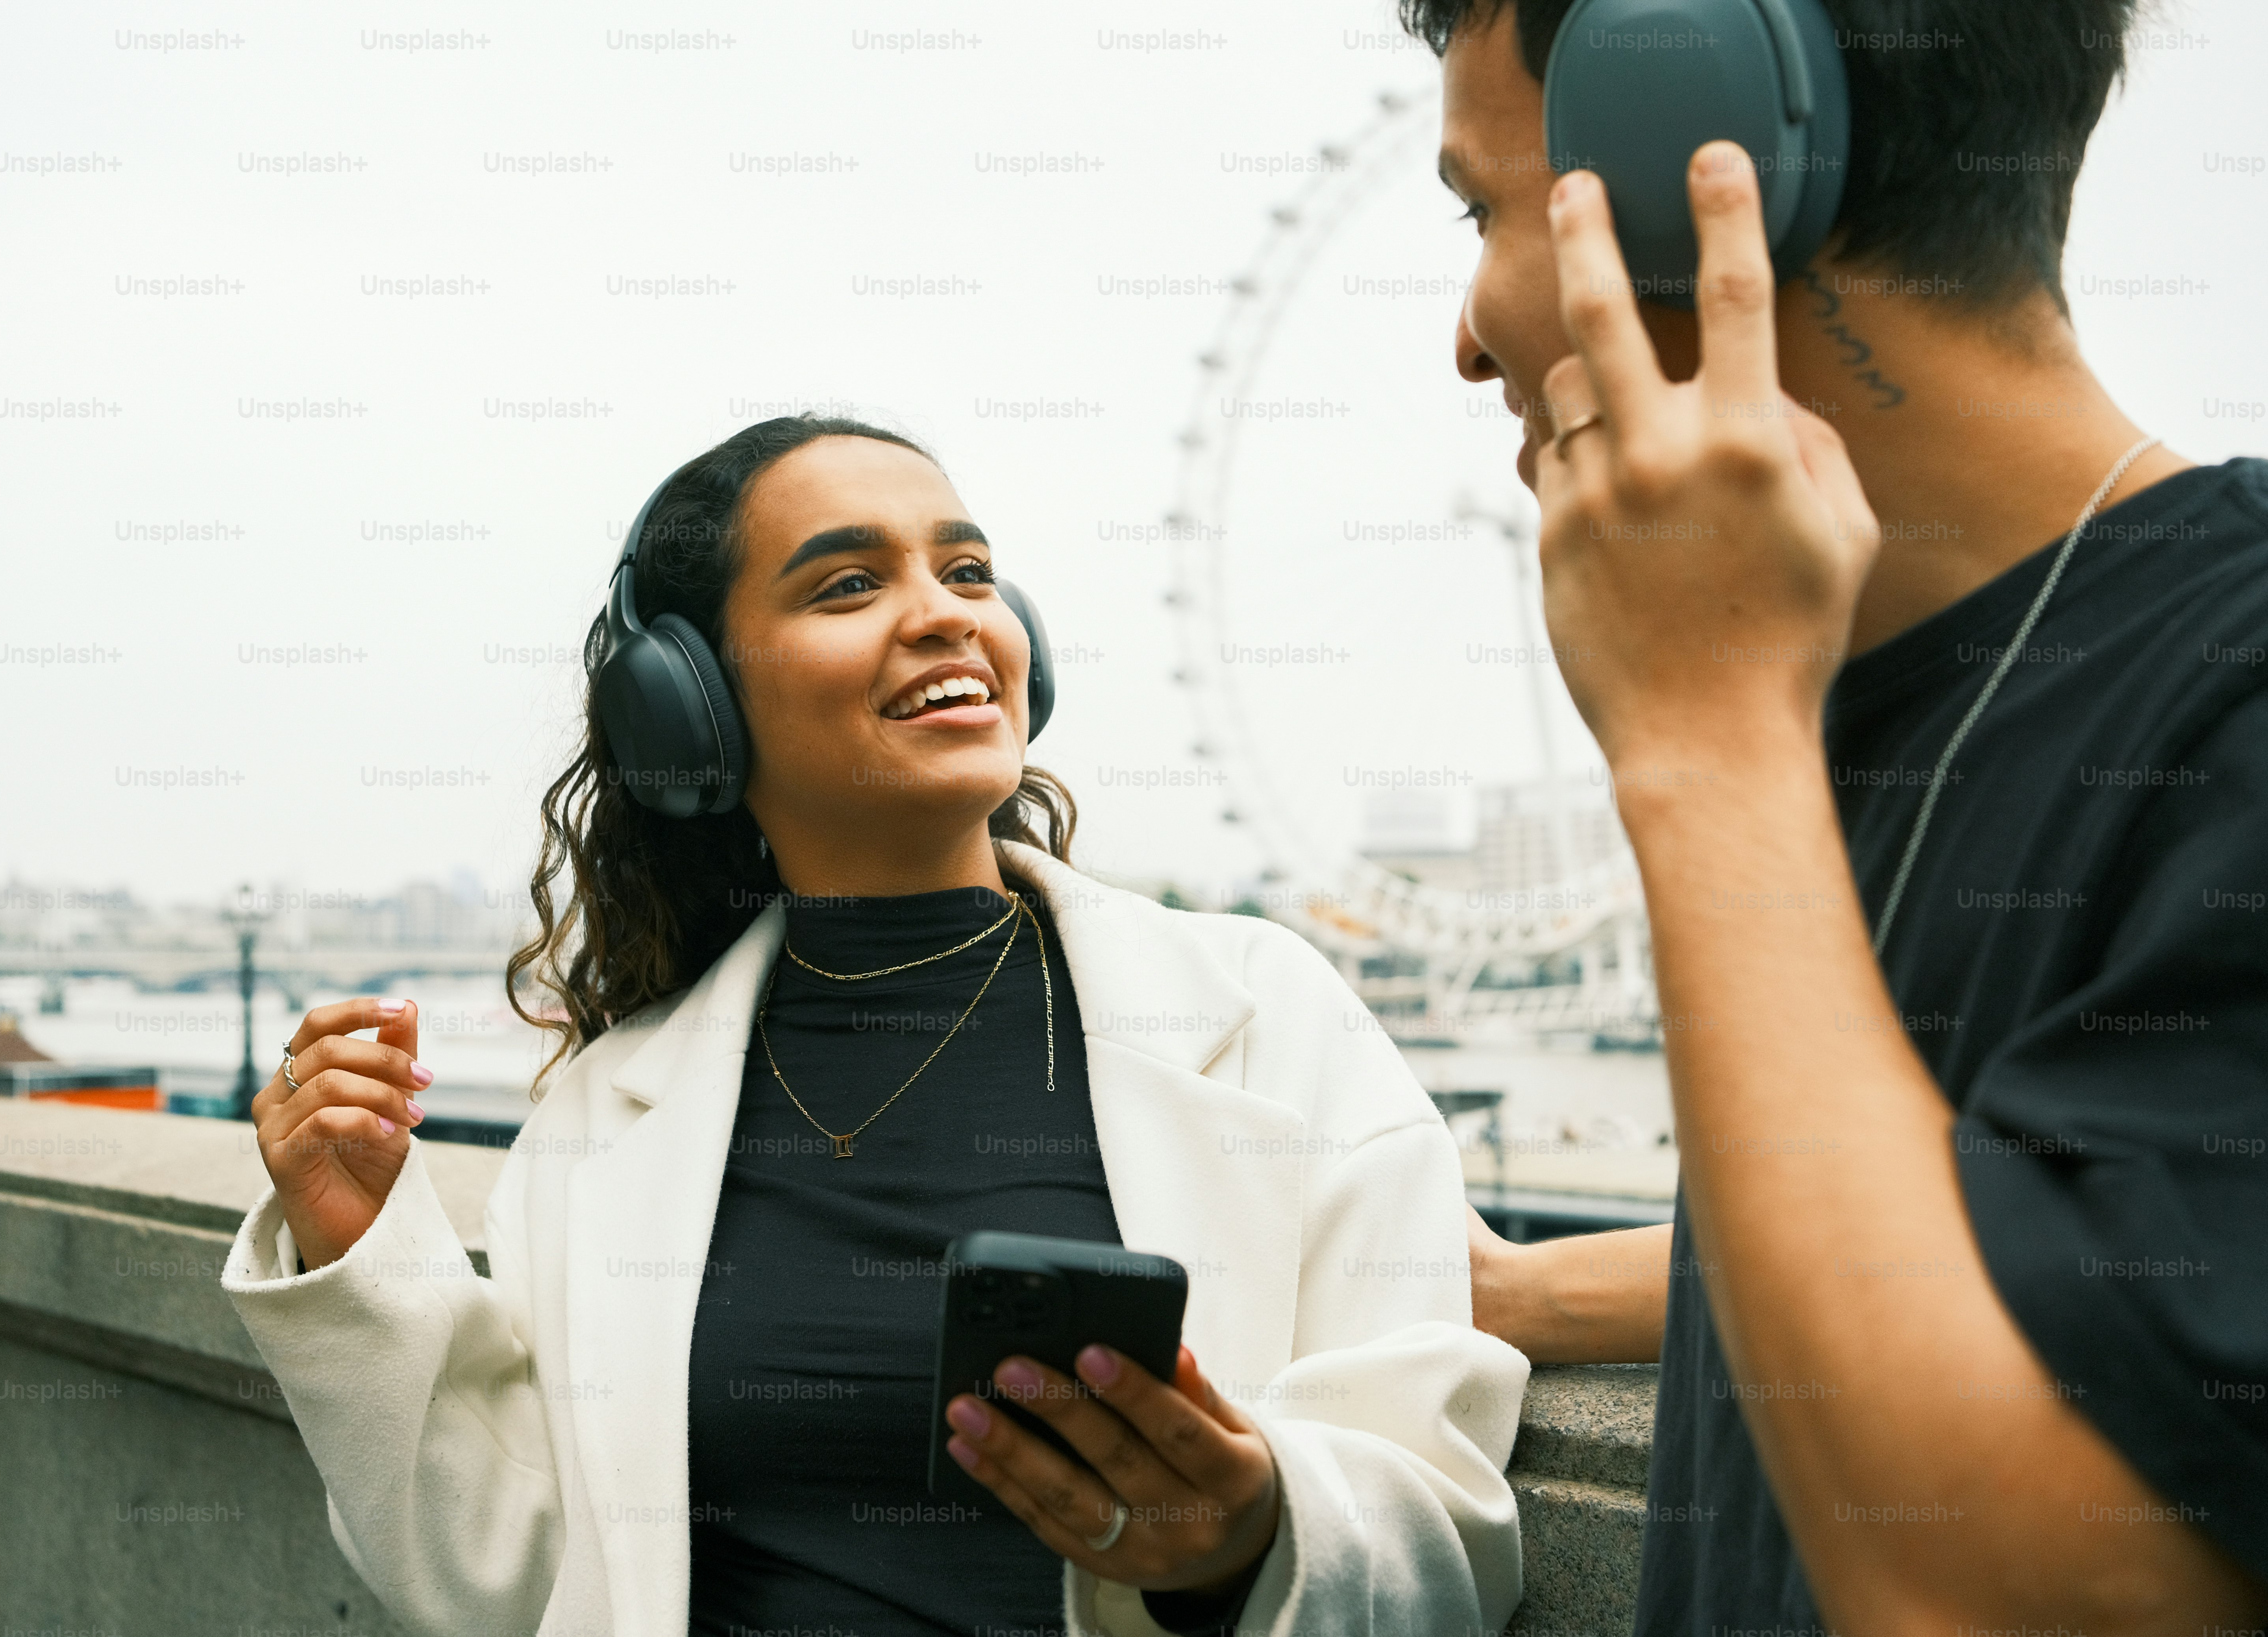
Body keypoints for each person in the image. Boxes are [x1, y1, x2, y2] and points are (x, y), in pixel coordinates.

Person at [220, 415, 1530, 1637]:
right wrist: (360, 1259)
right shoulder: (604, 1110)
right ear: (691, 706)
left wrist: (1251, 1533)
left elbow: (1449, 1516)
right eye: (848, 585)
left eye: (969, 573)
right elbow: (519, 1579)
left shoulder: (1270, 1016)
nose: (948, 617)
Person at [1399, 0, 2268, 1629]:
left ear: (1684, 156)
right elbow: (1996, 1222)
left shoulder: (2230, 706)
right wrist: (1516, 1289)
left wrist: (1705, 739)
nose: (1465, 331)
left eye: (1480, 209)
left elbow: (2008, 1588)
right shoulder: (1880, 704)